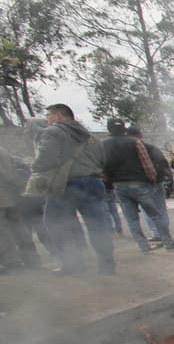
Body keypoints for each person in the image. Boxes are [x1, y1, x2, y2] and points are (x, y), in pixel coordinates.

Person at [33, 103, 115, 275]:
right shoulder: (89, 135)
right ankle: (107, 266)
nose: (47, 119)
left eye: (49, 115)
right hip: (93, 182)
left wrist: (34, 167)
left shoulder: (52, 132)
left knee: (56, 223)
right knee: (98, 225)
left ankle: (73, 263)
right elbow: (103, 159)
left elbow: (46, 158)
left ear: (58, 116)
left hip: (66, 184)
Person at [102, 122, 174, 254]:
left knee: (132, 219)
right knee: (155, 214)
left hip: (119, 185)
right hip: (140, 183)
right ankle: (168, 242)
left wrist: (109, 181)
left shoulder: (103, 145)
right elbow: (147, 164)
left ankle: (144, 247)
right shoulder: (135, 143)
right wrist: (152, 180)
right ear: (123, 130)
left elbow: (102, 165)